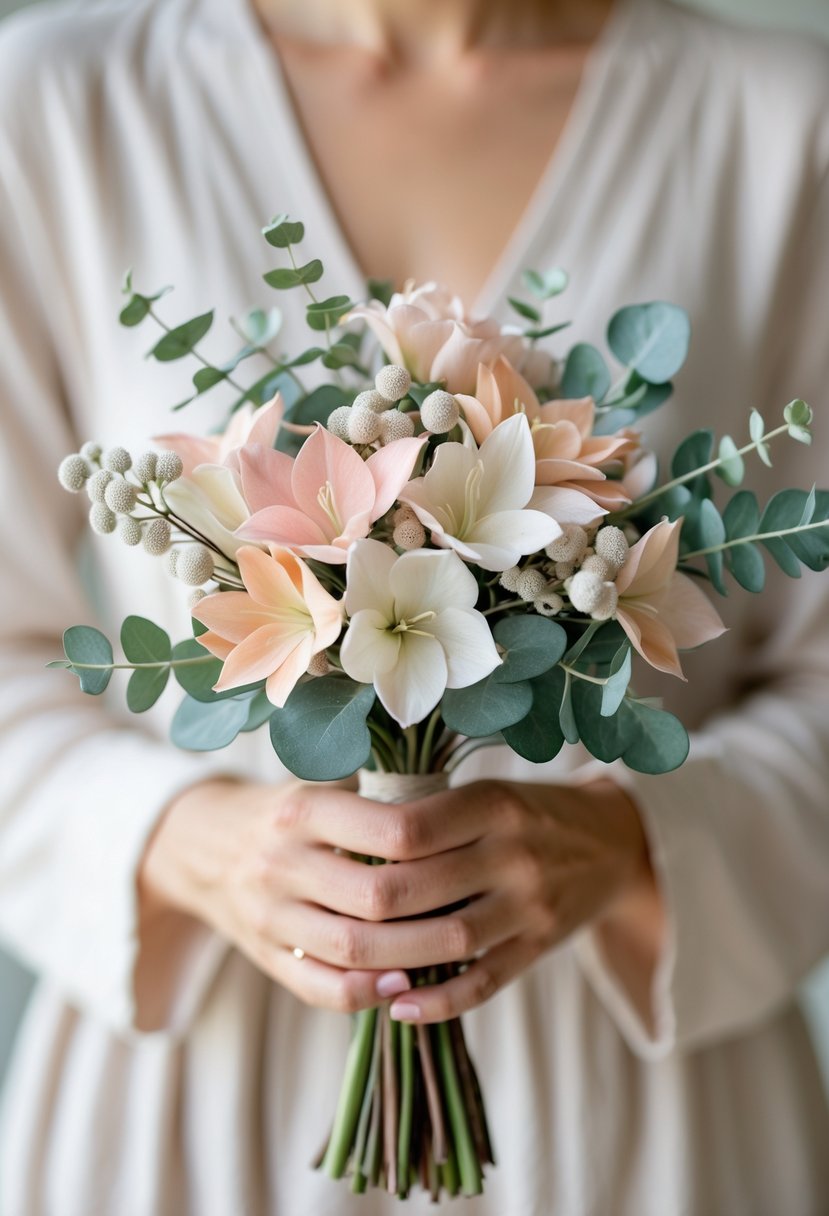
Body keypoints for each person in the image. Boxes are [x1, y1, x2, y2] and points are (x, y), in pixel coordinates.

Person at [0, 0, 828, 1212]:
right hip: (192, 1104)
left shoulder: (779, 119)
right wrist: (187, 842)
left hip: (638, 1119)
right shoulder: (62, 104)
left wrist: (634, 841)